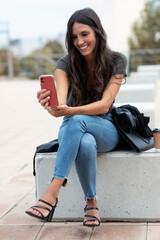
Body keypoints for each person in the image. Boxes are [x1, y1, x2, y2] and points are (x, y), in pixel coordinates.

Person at [25, 7, 127, 227]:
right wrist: (50, 105)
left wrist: (70, 111)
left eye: (84, 34)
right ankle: (91, 202)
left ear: (97, 32)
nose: (79, 41)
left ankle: (52, 191)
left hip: (106, 129)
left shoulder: (117, 60)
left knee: (77, 120)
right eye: (74, 37)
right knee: (85, 141)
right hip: (73, 127)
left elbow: (105, 104)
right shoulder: (65, 64)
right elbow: (61, 105)